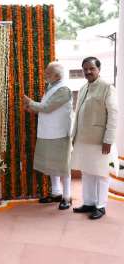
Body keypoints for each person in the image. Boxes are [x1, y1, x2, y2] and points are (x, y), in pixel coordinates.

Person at [71, 57, 118, 220]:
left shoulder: (106, 88)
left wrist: (108, 139)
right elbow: (77, 114)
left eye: (91, 68)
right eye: (85, 69)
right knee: (87, 172)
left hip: (99, 141)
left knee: (100, 173)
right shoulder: (84, 88)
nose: (88, 72)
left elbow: (113, 115)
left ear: (99, 69)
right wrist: (73, 135)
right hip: (83, 139)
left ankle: (100, 206)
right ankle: (89, 203)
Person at [24, 62, 73, 210]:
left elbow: (47, 107)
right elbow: (46, 108)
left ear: (57, 75)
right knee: (52, 165)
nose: (45, 75)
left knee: (63, 166)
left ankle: (67, 197)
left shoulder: (64, 89)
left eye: (48, 73)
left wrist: (30, 102)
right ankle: (56, 193)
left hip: (59, 133)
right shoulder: (52, 87)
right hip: (48, 132)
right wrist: (32, 108)